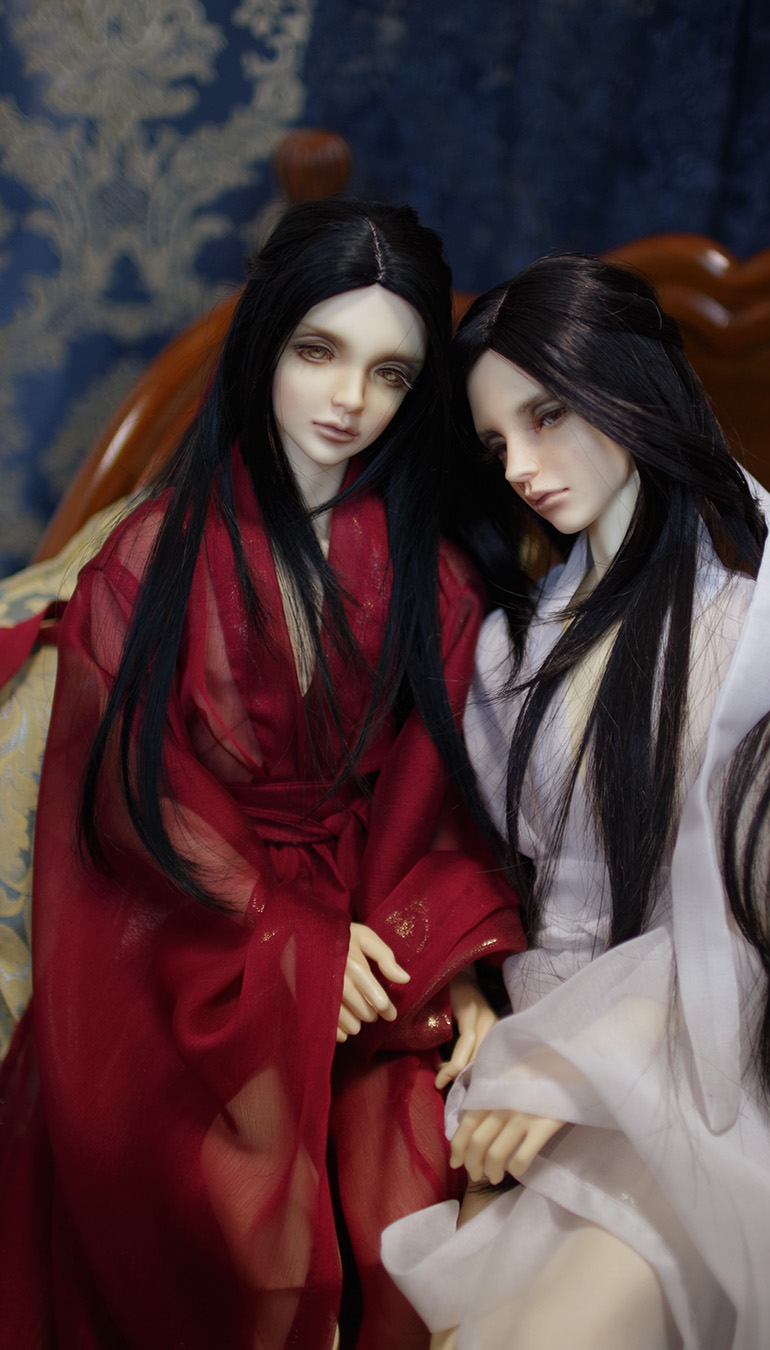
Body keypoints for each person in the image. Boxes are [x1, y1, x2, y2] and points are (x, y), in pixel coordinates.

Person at [0, 199, 524, 1350]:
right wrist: (287, 941)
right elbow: (136, 800)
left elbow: (431, 803)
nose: (349, 399)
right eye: (318, 352)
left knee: (403, 1196)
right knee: (213, 1204)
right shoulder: (148, 563)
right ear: (266, 344)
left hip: (372, 922)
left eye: (389, 373)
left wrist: (453, 972)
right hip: (185, 927)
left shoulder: (436, 581)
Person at [382, 254, 770, 1349]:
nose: (523, 468)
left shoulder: (753, 643)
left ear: (624, 386)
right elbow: (480, 863)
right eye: (496, 445)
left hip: (716, 1066)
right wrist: (475, 990)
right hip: (542, 1054)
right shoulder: (511, 654)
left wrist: (581, 1064)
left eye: (547, 415)